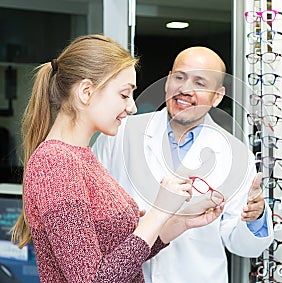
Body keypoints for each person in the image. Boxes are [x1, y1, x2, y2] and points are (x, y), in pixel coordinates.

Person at [10, 35, 223, 283]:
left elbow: (123, 259)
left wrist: (179, 221)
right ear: (86, 92)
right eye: (124, 95)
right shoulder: (55, 163)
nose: (132, 107)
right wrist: (156, 213)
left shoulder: (82, 158)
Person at [92, 46, 274, 283]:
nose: (185, 90)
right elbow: (92, 205)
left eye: (200, 83)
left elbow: (243, 246)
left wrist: (255, 218)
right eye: (179, 77)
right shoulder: (121, 132)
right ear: (167, 81)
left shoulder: (236, 156)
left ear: (217, 96)